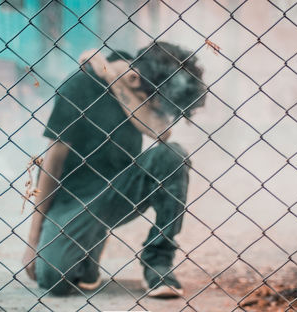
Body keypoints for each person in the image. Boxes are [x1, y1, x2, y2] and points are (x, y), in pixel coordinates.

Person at [22, 42, 205, 297]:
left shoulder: (139, 92)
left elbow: (163, 133)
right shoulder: (82, 84)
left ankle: (158, 261)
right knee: (54, 280)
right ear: (142, 81)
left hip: (120, 189)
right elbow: (51, 164)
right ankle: (88, 249)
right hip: (74, 199)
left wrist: (129, 95)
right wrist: (33, 239)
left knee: (173, 155)